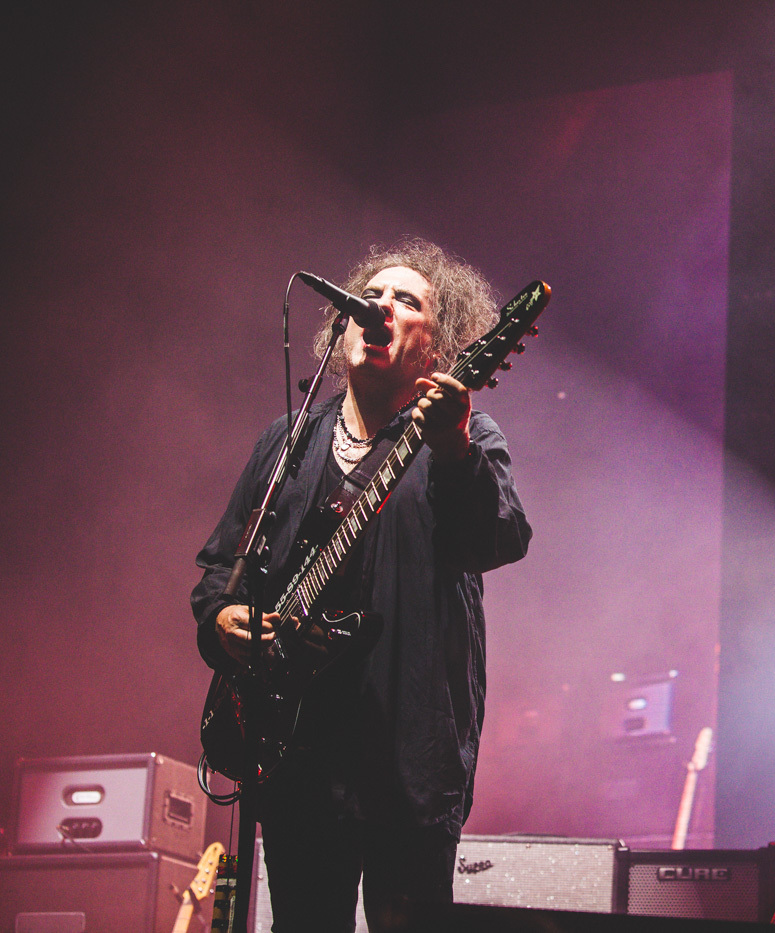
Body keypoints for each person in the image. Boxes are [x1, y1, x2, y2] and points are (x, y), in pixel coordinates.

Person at [191, 238, 532, 931]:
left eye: (407, 301)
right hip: (295, 753)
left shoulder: (464, 436)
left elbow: (496, 541)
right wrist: (222, 619)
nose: (381, 307)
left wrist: (456, 447)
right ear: (342, 323)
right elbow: (223, 568)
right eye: (371, 295)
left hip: (408, 757)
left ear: (437, 348)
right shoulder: (287, 441)